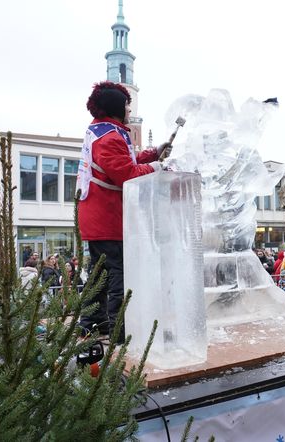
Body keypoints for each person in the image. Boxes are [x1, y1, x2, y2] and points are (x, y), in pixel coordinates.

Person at [77, 81, 172, 341]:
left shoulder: (104, 132)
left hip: (99, 218)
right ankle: (120, 329)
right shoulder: (109, 138)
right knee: (117, 275)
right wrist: (158, 168)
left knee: (99, 275)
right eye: (127, 105)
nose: (129, 109)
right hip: (108, 218)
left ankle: (92, 324)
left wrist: (153, 153)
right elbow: (127, 174)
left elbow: (125, 161)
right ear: (118, 107)